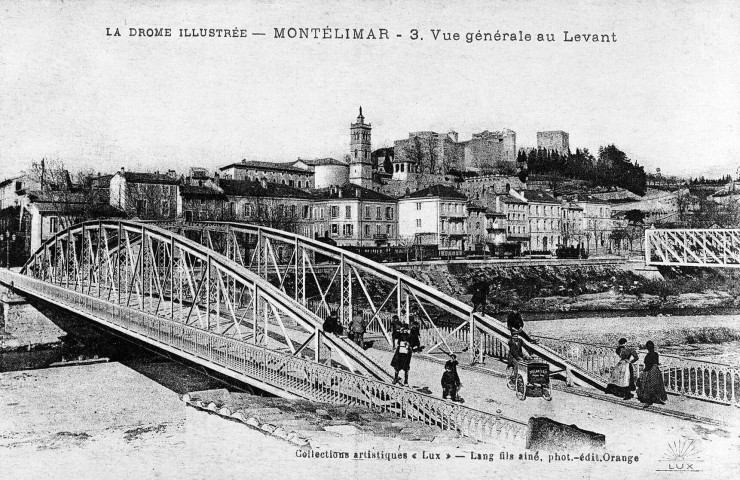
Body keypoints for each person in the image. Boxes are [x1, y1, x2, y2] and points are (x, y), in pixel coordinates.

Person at [637, 340, 668, 408]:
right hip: (656, 371)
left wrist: (643, 372)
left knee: (647, 386)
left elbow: (647, 366)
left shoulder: (647, 356)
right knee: (657, 385)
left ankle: (648, 401)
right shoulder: (656, 354)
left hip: (650, 371)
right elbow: (656, 363)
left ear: (647, 348)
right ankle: (658, 398)